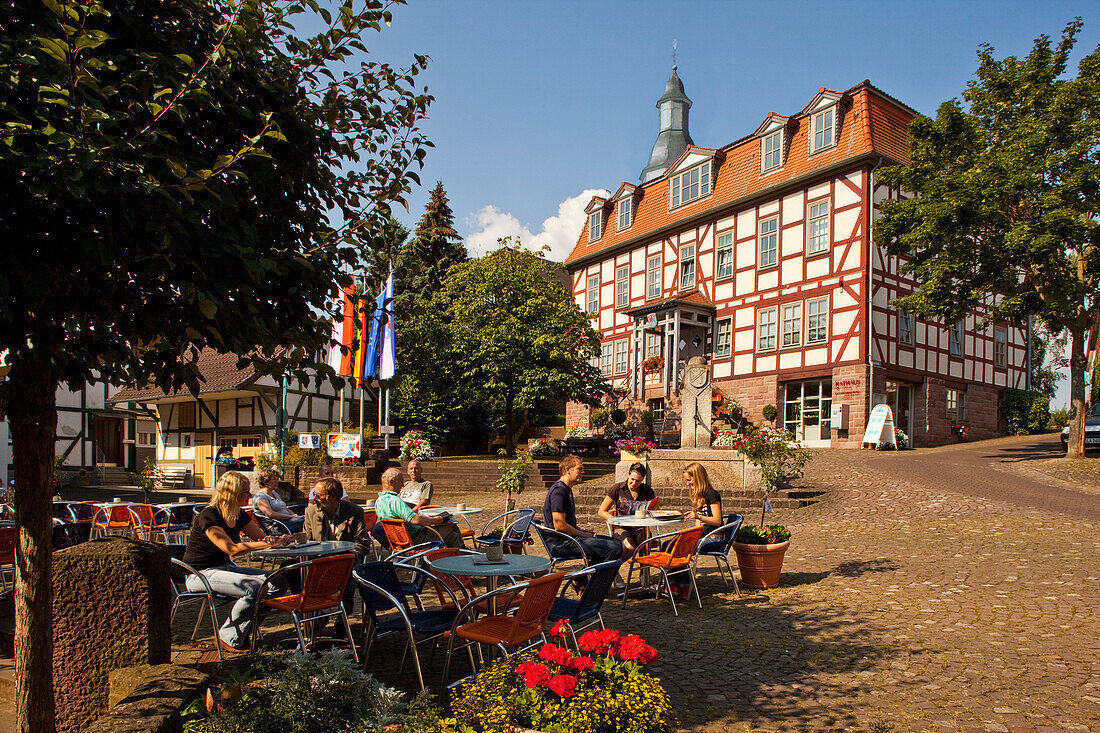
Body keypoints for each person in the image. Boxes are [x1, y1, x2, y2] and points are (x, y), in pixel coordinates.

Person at [182, 470, 294, 651]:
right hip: (199, 574)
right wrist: (267, 544)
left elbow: (261, 539)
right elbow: (231, 549)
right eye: (246, 492)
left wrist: (278, 539)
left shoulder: (239, 514)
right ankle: (229, 636)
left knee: (278, 581)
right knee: (254, 587)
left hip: (225, 568)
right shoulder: (209, 516)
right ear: (232, 494)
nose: (250, 496)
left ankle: (243, 631)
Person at [304, 477, 373, 617]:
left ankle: (343, 618)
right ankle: (311, 613)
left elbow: (363, 544)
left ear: (334, 497)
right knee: (290, 567)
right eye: (314, 494)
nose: (315, 499)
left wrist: (346, 557)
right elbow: (306, 541)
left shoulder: (354, 512)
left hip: (345, 560)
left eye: (319, 495)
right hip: (319, 561)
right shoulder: (311, 512)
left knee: (346, 566)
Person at [543, 454, 623, 564]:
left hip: (567, 539)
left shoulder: (566, 489)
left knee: (616, 542)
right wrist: (583, 535)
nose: (583, 472)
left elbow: (567, 524)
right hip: (560, 544)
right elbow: (559, 525)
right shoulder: (559, 492)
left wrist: (583, 531)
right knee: (614, 548)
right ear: (567, 470)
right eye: (579, 469)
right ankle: (593, 578)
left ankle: (585, 577)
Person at [666, 462, 725, 600]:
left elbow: (717, 520)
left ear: (698, 477)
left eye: (689, 480)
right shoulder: (698, 495)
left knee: (679, 547)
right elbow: (699, 525)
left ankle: (684, 585)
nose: (688, 484)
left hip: (715, 537)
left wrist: (698, 516)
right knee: (668, 545)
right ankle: (674, 582)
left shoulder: (712, 494)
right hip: (704, 535)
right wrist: (690, 533)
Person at [375, 467, 464, 548]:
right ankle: (462, 552)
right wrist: (435, 521)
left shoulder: (379, 501)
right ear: (391, 482)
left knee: (453, 536)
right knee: (452, 525)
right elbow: (415, 520)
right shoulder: (394, 501)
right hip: (418, 539)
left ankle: (455, 556)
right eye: (401, 481)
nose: (402, 485)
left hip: (399, 540)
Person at [597, 462, 656, 557]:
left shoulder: (646, 490)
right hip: (622, 527)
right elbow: (601, 511)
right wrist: (616, 521)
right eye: (632, 479)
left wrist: (651, 510)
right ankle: (613, 569)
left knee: (644, 543)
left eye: (638, 481)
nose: (634, 483)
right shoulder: (618, 489)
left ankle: (644, 571)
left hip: (641, 527)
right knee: (629, 548)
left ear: (642, 480)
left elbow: (656, 510)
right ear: (628, 474)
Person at [252, 468, 305, 533]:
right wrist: (291, 516)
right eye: (274, 479)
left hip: (287, 522)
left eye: (277, 479)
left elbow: (285, 508)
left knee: (308, 518)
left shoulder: (275, 494)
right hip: (277, 527)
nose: (277, 481)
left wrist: (295, 516)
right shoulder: (261, 497)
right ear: (265, 481)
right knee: (306, 520)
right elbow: (270, 514)